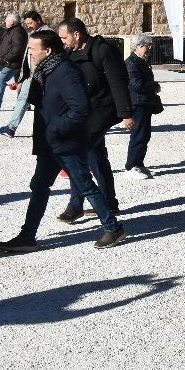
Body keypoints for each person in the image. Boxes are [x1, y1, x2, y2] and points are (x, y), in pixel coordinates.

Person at [0, 30, 125, 252]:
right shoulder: (45, 69)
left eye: (33, 49)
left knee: (84, 184)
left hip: (65, 142)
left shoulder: (66, 71)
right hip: (49, 143)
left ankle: (112, 227)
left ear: (48, 50)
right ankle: (28, 236)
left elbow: (80, 109)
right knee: (39, 186)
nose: (30, 52)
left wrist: (55, 129)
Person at [56, 18, 133, 224]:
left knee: (77, 156)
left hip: (100, 112)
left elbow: (118, 82)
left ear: (77, 34)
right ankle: (109, 201)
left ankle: (76, 205)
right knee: (96, 157)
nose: (63, 41)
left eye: (64, 37)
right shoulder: (69, 53)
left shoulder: (103, 51)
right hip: (81, 112)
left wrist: (125, 113)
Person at [0, 11, 48, 137]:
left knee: (44, 103)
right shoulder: (32, 33)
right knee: (23, 99)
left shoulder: (47, 33)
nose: (28, 25)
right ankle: (11, 128)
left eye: (30, 22)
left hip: (39, 74)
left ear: (38, 20)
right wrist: (22, 76)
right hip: (29, 75)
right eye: (27, 23)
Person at [124, 34, 159, 179]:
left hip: (145, 103)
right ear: (137, 47)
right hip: (138, 103)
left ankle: (139, 164)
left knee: (144, 135)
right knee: (138, 135)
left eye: (150, 45)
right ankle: (131, 166)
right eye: (146, 45)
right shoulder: (131, 62)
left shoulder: (142, 61)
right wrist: (154, 85)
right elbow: (136, 84)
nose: (149, 48)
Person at [0, 12, 26, 111]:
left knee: (1, 80)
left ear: (12, 21)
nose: (5, 21)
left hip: (13, 63)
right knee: (20, 83)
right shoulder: (11, 31)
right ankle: (25, 105)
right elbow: (7, 46)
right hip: (14, 62)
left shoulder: (16, 32)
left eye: (6, 19)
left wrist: (7, 59)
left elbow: (18, 48)